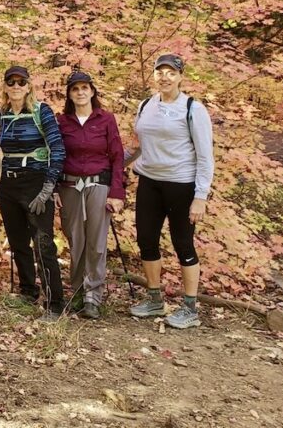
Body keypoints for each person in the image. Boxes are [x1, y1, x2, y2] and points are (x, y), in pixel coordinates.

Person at [129, 54, 214, 329]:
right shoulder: (145, 105)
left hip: (181, 185)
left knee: (183, 244)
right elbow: (140, 145)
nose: (164, 77)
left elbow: (205, 156)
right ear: (154, 75)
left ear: (180, 76)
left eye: (171, 72)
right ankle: (154, 299)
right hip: (149, 183)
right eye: (160, 72)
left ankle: (190, 307)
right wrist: (111, 165)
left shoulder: (192, 109)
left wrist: (200, 196)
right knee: (146, 240)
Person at [0, 65, 66, 321]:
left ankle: (55, 302)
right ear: (5, 86)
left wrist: (48, 188)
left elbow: (57, 149)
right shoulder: (0, 113)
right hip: (8, 185)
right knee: (17, 242)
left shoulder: (41, 111)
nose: (16, 87)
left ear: (28, 86)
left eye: (20, 82)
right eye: (11, 82)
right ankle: (27, 290)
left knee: (43, 244)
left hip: (36, 183)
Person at [54, 72, 125, 320]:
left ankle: (92, 296)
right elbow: (54, 156)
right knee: (76, 240)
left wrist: (117, 192)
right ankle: (76, 292)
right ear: (69, 94)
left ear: (92, 91)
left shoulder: (105, 119)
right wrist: (53, 188)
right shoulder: (62, 121)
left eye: (85, 88)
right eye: (75, 89)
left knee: (96, 242)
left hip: (98, 186)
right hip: (69, 187)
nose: (80, 93)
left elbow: (117, 156)